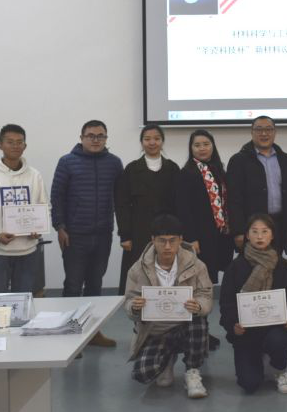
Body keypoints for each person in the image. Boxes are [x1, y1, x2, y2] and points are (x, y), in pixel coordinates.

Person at [50, 119, 123, 347]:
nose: (95, 140)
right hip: (74, 235)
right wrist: (60, 227)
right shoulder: (67, 162)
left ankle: (92, 333)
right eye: (91, 135)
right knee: (73, 286)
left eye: (100, 136)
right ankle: (70, 336)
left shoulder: (114, 163)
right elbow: (57, 196)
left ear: (106, 139)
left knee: (95, 285)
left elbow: (121, 197)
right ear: (81, 138)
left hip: (103, 234)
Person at [124, 214, 213, 399]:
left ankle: (192, 371)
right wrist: (134, 307)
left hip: (185, 326)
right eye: (161, 241)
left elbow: (206, 295)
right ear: (152, 240)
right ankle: (167, 358)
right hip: (155, 330)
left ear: (181, 240)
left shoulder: (197, 265)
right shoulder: (137, 269)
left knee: (199, 321)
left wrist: (198, 306)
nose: (167, 246)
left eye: (172, 240)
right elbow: (129, 301)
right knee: (142, 373)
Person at [219, 213, 287, 394]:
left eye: (265, 231)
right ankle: (258, 357)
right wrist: (233, 325)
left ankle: (279, 368)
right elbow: (226, 303)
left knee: (278, 341)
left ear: (272, 235)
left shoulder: (282, 266)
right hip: (247, 333)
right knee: (249, 384)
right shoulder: (235, 267)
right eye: (255, 231)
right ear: (247, 235)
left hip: (276, 329)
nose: (259, 236)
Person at [0, 124, 49, 293]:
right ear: (0, 145)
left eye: (19, 142)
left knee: (23, 302)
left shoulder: (35, 175)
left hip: (28, 251)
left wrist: (38, 229)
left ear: (25, 146)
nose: (15, 146)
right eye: (10, 142)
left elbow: (44, 208)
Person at [176, 129, 233, 349]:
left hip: (219, 236)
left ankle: (204, 331)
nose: (202, 148)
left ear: (213, 146)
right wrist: (191, 238)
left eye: (206, 144)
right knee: (199, 286)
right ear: (191, 148)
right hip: (199, 239)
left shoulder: (219, 170)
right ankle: (197, 333)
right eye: (197, 145)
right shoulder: (187, 173)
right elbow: (183, 208)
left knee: (208, 284)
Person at [114, 125, 179, 295]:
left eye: (156, 138)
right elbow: (122, 204)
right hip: (138, 231)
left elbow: (179, 204)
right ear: (141, 142)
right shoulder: (132, 169)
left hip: (166, 233)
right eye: (147, 139)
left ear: (162, 142)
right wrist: (125, 235)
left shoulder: (172, 168)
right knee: (138, 274)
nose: (152, 143)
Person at [226, 115, 287, 255]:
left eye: (268, 129)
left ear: (275, 132)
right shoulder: (239, 160)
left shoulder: (285, 160)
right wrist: (239, 231)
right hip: (251, 228)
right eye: (259, 129)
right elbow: (234, 199)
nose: (264, 133)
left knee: (276, 265)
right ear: (251, 132)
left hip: (279, 226)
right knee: (252, 266)